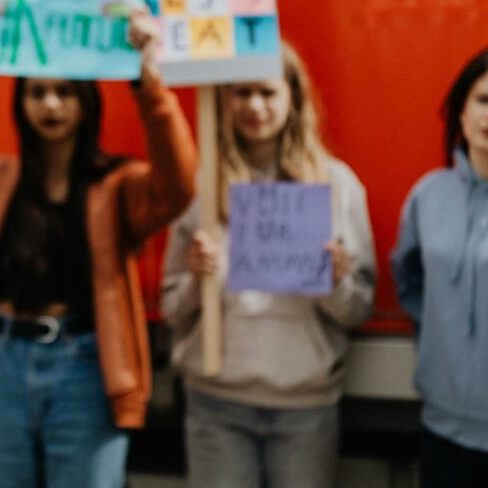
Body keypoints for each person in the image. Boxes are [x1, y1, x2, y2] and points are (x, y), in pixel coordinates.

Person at [0, 0, 196, 487]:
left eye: (65, 92)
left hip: (87, 368)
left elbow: (179, 186)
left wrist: (149, 82)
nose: (51, 104)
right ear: (20, 103)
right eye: (37, 92)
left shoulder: (117, 186)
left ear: (86, 101)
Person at [161, 42, 376, 488]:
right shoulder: (203, 188)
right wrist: (199, 279)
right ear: (224, 99)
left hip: (305, 407)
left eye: (267, 92)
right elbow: (171, 310)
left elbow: (358, 310)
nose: (254, 106)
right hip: (217, 403)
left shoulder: (336, 186)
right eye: (242, 93)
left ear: (292, 97)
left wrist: (335, 281)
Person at [391, 46, 488, 487]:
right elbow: (409, 281)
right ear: (461, 112)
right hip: (442, 425)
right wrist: (440, 340)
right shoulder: (428, 196)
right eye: (483, 100)